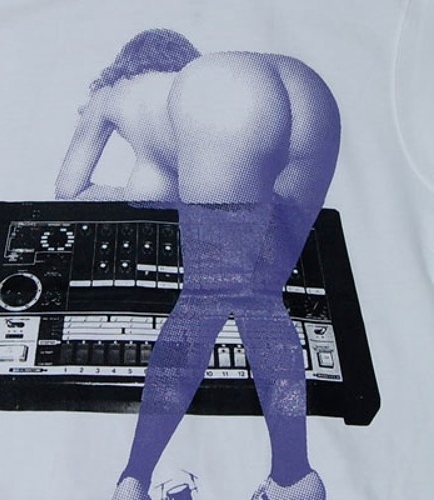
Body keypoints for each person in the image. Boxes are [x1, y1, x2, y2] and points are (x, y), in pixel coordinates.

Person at [55, 29, 340, 500]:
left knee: (201, 303)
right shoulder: (188, 91)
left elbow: (70, 189)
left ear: (126, 61)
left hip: (232, 103)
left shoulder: (114, 94)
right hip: (310, 91)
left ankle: (133, 481)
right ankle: (293, 478)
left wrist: (142, 197)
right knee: (263, 301)